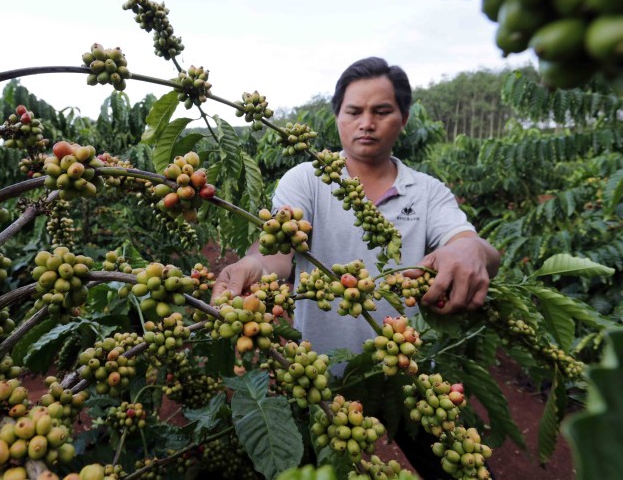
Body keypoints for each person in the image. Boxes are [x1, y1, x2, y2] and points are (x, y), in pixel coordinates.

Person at [212, 57, 500, 477]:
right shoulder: (307, 179)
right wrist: (255, 263)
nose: (367, 122)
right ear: (337, 117)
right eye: (354, 111)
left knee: (453, 468)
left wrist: (470, 249)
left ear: (403, 118)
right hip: (317, 377)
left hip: (407, 370)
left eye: (381, 112)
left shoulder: (427, 192)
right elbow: (280, 250)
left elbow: (473, 246)